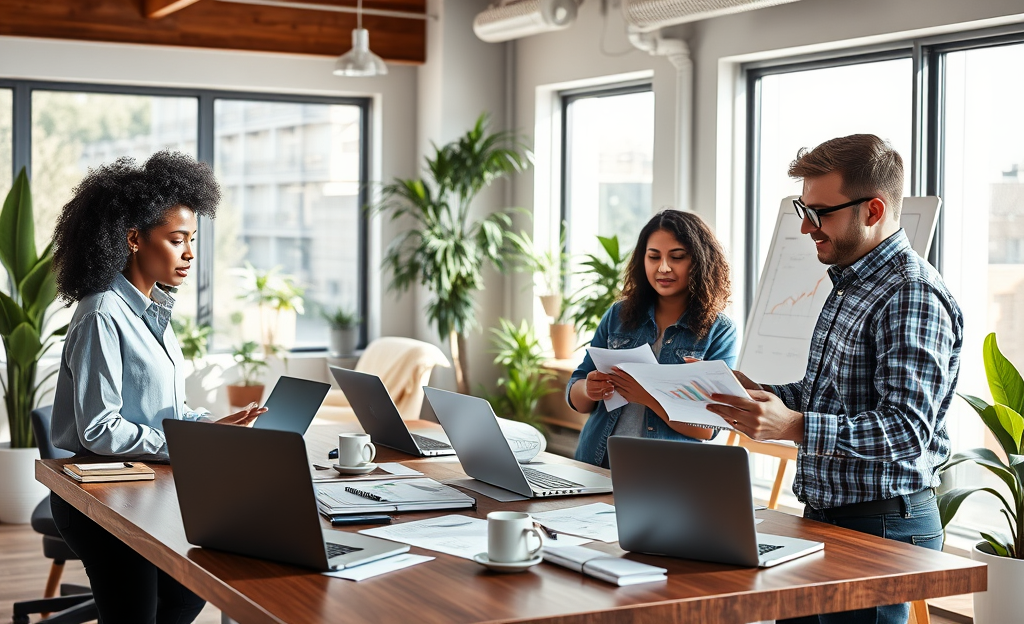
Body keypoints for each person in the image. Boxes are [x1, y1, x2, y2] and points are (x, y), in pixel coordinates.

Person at [708, 135, 963, 624]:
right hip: (828, 515)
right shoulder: (851, 283)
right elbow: (826, 396)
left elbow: (908, 430)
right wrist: (758, 397)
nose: (805, 227)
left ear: (872, 210)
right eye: (804, 209)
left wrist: (795, 426)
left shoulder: (910, 295)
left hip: (883, 524)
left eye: (819, 212)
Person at [48, 151, 267, 624]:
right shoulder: (102, 314)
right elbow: (101, 430)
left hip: (144, 486)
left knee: (189, 591)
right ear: (133, 239)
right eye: (177, 240)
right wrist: (187, 443)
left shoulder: (155, 312)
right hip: (99, 498)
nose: (189, 253)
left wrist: (210, 426)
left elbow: (164, 410)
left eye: (192, 239)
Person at [566, 209, 738, 468]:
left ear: (699, 261)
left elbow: (708, 428)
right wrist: (589, 389)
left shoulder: (720, 330)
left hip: (664, 473)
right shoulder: (618, 315)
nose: (663, 267)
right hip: (597, 463)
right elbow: (577, 394)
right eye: (653, 257)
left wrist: (647, 396)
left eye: (677, 257)